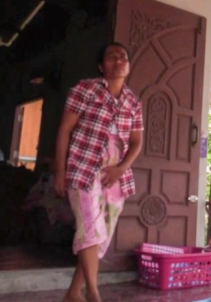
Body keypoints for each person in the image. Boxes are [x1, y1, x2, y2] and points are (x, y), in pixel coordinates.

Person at [54, 42, 143, 302]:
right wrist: (60, 172)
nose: (118, 60)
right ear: (101, 66)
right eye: (111, 56)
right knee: (89, 227)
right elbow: (64, 131)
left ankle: (73, 292)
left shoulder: (133, 102)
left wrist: (121, 169)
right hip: (84, 168)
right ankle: (93, 293)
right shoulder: (85, 89)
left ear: (128, 66)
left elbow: (136, 142)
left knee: (100, 236)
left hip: (116, 176)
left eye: (123, 57)